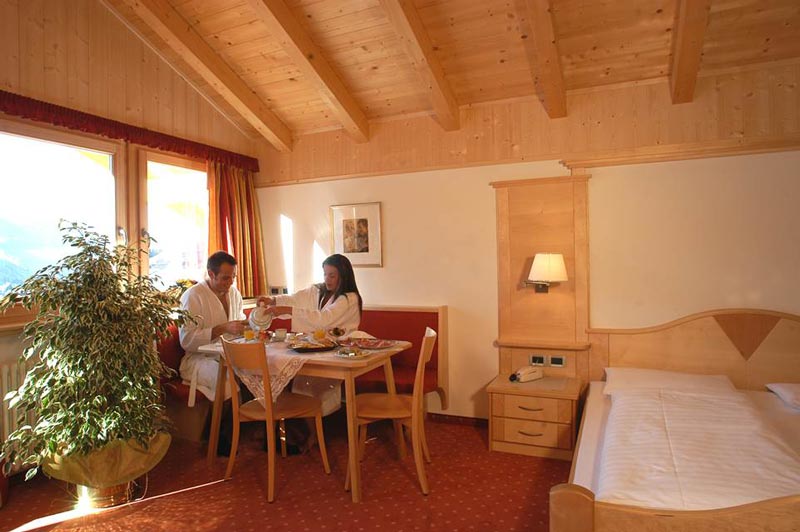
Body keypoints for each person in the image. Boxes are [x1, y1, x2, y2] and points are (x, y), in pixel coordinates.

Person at [259, 254, 363, 417]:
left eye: (332, 275)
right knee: (297, 382)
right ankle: (303, 423)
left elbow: (324, 320)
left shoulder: (349, 298)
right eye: (325, 274)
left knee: (310, 386)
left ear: (343, 276)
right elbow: (296, 299)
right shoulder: (319, 291)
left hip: (338, 354)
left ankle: (316, 424)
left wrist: (288, 311)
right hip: (316, 349)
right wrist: (273, 301)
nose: (327, 279)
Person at [179, 251, 247, 404]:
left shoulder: (234, 293)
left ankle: (253, 418)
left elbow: (240, 321)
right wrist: (222, 328)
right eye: (226, 278)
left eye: (233, 277)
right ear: (211, 274)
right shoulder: (193, 296)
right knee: (225, 378)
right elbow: (186, 339)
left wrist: (252, 324)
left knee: (256, 372)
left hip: (230, 355)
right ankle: (229, 420)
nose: (231, 282)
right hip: (199, 360)